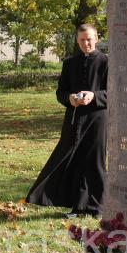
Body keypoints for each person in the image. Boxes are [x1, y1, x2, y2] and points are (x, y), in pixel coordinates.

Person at [25, 24, 108, 217]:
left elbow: (114, 92)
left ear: (96, 38)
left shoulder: (106, 62)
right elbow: (60, 92)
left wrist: (94, 96)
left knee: (95, 162)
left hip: (97, 119)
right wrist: (69, 99)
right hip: (74, 119)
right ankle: (78, 206)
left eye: (89, 39)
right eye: (82, 40)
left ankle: (97, 207)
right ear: (77, 41)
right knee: (75, 160)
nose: (86, 43)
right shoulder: (70, 63)